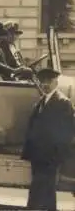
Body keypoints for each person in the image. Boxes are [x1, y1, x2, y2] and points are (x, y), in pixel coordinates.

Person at [22, 68, 74, 211]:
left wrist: (57, 156)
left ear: (56, 82)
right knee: (46, 192)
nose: (44, 84)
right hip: (38, 156)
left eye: (48, 81)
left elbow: (67, 132)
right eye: (42, 81)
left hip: (50, 157)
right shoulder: (41, 102)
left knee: (42, 190)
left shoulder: (63, 103)